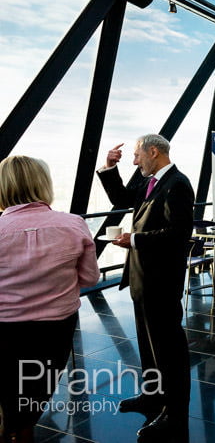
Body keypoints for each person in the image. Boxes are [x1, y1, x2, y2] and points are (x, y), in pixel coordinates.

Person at [97, 134, 193, 442]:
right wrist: (109, 168)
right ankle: (153, 397)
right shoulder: (147, 181)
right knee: (149, 347)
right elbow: (121, 200)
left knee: (169, 350)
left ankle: (175, 414)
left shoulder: (178, 184)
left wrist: (134, 240)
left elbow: (179, 233)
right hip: (141, 278)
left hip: (162, 281)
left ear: (154, 151)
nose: (134, 161)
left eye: (137, 155)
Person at [0, 156, 99, 443]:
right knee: (36, 389)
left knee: (8, 390)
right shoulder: (73, 225)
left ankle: (13, 429)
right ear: (44, 184)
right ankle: (25, 428)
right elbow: (91, 278)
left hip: (4, 329)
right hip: (55, 329)